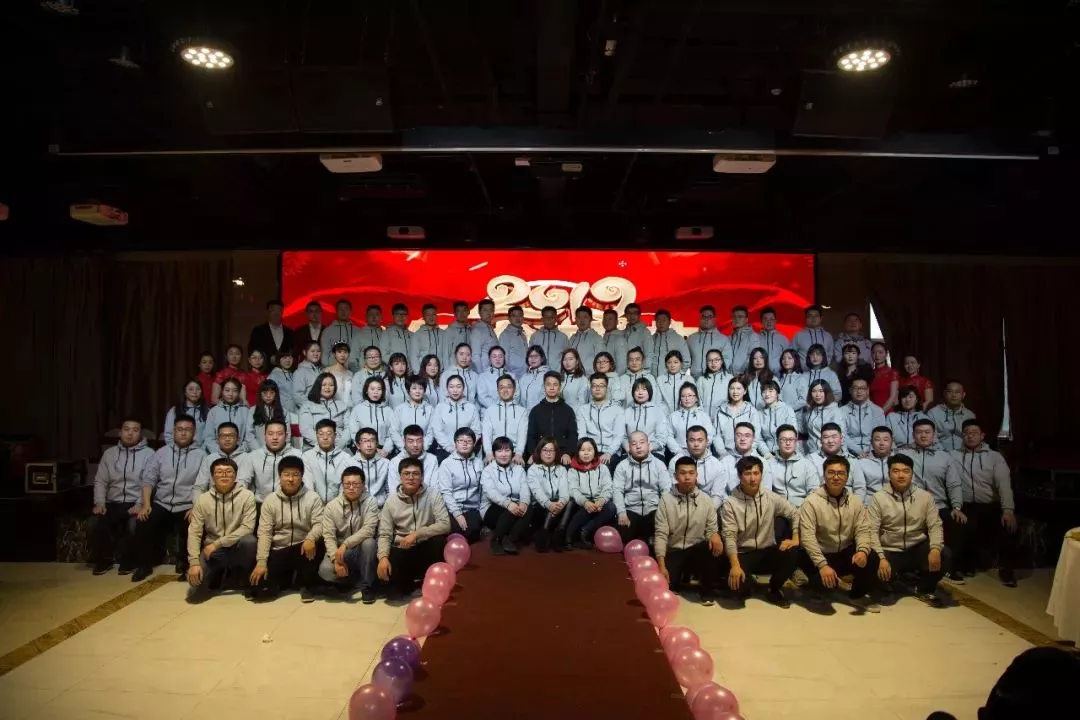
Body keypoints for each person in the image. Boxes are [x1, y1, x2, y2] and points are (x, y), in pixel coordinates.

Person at [797, 455, 881, 612]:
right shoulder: (811, 502)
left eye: (841, 473)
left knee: (872, 557)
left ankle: (857, 595)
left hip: (844, 551)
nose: (836, 477)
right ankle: (817, 587)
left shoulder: (855, 501)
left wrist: (862, 550)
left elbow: (863, 529)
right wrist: (822, 565)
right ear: (824, 475)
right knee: (825, 586)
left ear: (847, 477)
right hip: (820, 554)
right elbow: (807, 538)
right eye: (831, 472)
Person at [867, 454, 949, 606]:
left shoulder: (925, 497)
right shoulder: (878, 498)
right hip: (889, 548)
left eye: (906, 471)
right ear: (889, 474)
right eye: (896, 471)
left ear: (912, 474)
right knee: (872, 559)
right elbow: (871, 531)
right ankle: (887, 586)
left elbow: (935, 525)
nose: (901, 475)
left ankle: (923, 589)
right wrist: (881, 557)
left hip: (916, 546)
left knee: (945, 555)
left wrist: (935, 549)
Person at [132, 415, 206, 582]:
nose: (183, 433)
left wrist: (196, 507)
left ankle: (186, 565)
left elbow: (203, 485)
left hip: (186, 504)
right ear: (173, 431)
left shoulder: (201, 455)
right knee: (143, 520)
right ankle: (144, 565)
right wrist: (146, 504)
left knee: (193, 523)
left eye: (187, 430)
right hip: (162, 503)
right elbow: (148, 479)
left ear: (194, 433)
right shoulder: (161, 453)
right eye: (180, 430)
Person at [720, 456, 800, 608]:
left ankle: (773, 589)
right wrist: (735, 566)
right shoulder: (730, 503)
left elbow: (794, 513)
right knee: (737, 590)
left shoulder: (770, 497)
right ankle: (747, 582)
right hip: (743, 553)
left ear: (761, 475)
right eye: (747, 473)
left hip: (767, 551)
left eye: (756, 473)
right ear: (739, 476)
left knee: (793, 551)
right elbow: (729, 537)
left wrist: (795, 538)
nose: (752, 478)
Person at [249, 456, 324, 602]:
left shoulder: (313, 497)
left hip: (303, 548)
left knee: (319, 543)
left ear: (302, 476)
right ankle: (285, 580)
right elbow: (264, 533)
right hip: (279, 550)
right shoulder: (270, 500)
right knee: (257, 589)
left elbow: (320, 524)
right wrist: (261, 562)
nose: (291, 479)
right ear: (280, 477)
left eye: (295, 475)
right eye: (286, 474)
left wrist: (310, 538)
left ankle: (305, 584)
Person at [952, 419, 1018, 587]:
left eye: (974, 433)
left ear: (982, 436)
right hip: (967, 505)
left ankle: (1006, 570)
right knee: (963, 528)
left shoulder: (995, 457)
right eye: (967, 433)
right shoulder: (954, 456)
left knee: (1006, 529)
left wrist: (1008, 509)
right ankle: (966, 566)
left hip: (991, 505)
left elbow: (1004, 484)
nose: (970, 436)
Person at [377, 457, 451, 599]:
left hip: (425, 545)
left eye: (415, 474)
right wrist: (383, 557)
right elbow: (385, 534)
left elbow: (445, 524)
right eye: (406, 474)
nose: (411, 477)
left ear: (422, 477)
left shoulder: (433, 494)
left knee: (439, 540)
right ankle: (408, 583)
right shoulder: (391, 501)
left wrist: (417, 534)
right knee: (394, 596)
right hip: (403, 548)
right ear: (400, 477)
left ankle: (429, 580)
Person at [185, 457, 257, 601]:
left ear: (235, 475)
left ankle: (245, 577)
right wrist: (193, 562)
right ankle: (217, 572)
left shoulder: (247, 496)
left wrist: (218, 543)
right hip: (214, 552)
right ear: (212, 476)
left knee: (250, 542)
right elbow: (194, 532)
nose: (224, 475)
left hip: (236, 546)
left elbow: (247, 527)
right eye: (219, 472)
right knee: (194, 582)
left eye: (228, 472)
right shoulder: (203, 499)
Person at [655, 456, 723, 606]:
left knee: (711, 546)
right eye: (683, 473)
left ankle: (706, 591)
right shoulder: (666, 500)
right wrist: (661, 564)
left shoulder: (706, 500)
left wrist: (715, 534)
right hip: (674, 550)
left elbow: (711, 528)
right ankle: (679, 577)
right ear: (675, 476)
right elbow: (661, 534)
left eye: (691, 473)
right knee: (667, 585)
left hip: (696, 549)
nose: (687, 477)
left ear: (696, 475)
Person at [91, 418, 154, 575]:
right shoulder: (109, 454)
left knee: (135, 524)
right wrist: (100, 503)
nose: (130, 433)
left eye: (135, 430)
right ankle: (105, 560)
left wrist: (140, 504)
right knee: (97, 522)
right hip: (113, 501)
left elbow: (149, 481)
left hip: (135, 501)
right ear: (120, 432)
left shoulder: (149, 454)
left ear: (140, 434)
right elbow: (100, 481)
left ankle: (129, 561)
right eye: (126, 429)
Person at [908, 418, 966, 584]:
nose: (923, 435)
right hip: (912, 505)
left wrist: (956, 507)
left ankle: (949, 568)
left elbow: (954, 484)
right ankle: (914, 568)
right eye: (919, 432)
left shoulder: (944, 457)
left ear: (934, 434)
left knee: (957, 523)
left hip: (938, 505)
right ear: (913, 435)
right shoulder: (904, 454)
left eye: (927, 432)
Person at [319, 465, 379, 603]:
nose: (351, 488)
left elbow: (369, 529)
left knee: (369, 543)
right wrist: (335, 559)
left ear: (363, 485)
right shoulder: (332, 506)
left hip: (361, 548)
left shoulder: (370, 502)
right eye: (347, 484)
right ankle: (351, 581)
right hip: (341, 550)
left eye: (356, 484)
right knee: (325, 570)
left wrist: (346, 544)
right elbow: (328, 535)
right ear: (342, 485)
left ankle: (367, 586)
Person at [613, 431, 673, 544]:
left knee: (661, 539)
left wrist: (663, 513)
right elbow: (617, 491)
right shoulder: (622, 466)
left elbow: (666, 490)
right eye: (634, 444)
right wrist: (621, 513)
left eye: (642, 442)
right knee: (622, 539)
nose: (638, 446)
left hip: (654, 509)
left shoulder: (659, 464)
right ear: (629, 447)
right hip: (631, 510)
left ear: (648, 445)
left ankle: (648, 539)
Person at [481, 437, 533, 555]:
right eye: (499, 451)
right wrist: (508, 504)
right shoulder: (488, 471)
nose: (503, 454)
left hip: (515, 505)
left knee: (528, 509)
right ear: (494, 453)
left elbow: (525, 489)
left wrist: (524, 503)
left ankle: (510, 539)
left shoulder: (519, 470)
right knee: (509, 512)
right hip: (492, 508)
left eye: (507, 450)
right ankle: (496, 540)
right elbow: (491, 493)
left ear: (512, 452)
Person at [565, 438, 616, 549]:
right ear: (578, 452)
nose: (586, 453)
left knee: (611, 507)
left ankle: (586, 530)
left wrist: (601, 500)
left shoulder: (603, 468)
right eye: (582, 450)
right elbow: (573, 490)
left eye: (589, 450)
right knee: (579, 507)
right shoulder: (572, 470)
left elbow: (608, 488)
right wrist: (585, 502)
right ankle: (569, 536)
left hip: (599, 501)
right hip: (581, 502)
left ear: (595, 451)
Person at [437, 428, 486, 543]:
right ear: (455, 443)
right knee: (453, 530)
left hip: (472, 508)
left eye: (468, 441)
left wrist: (481, 509)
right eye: (461, 441)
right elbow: (446, 492)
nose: (465, 444)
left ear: (473, 444)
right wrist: (457, 514)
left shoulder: (479, 463)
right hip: (452, 507)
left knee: (472, 530)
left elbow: (482, 490)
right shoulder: (446, 464)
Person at [238, 420, 302, 505]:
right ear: (264, 436)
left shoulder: (298, 455)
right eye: (270, 434)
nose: (275, 437)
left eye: (279, 434)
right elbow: (242, 482)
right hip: (260, 504)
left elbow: (305, 484)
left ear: (286, 436)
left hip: (289, 504)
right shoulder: (252, 456)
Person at [527, 437, 574, 552]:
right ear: (539, 451)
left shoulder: (561, 469)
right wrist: (550, 505)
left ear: (556, 453)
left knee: (570, 502)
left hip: (557, 505)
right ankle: (543, 534)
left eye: (551, 450)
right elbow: (537, 492)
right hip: (539, 506)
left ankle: (559, 534)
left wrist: (560, 504)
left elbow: (565, 492)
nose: (548, 453)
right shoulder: (533, 470)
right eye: (545, 450)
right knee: (550, 503)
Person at [670, 425, 732, 510]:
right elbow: (673, 491)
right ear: (686, 442)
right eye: (692, 440)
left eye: (700, 440)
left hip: (708, 509)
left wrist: (705, 513)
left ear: (707, 442)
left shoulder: (717, 465)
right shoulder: (675, 462)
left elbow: (717, 496)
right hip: (681, 507)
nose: (696, 444)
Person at [524, 371, 578, 462]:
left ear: (559, 387)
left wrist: (568, 453)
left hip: (562, 455)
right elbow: (531, 436)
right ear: (544, 387)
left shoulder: (568, 410)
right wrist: (534, 453)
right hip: (540, 454)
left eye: (555, 384)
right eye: (548, 384)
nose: (552, 387)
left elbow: (573, 435)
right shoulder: (535, 411)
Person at [808, 422, 868, 502]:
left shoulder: (852, 460)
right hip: (821, 504)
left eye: (834, 436)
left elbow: (860, 488)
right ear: (820, 440)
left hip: (849, 503)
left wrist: (854, 506)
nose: (830, 441)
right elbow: (812, 489)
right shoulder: (811, 460)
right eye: (826, 437)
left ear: (841, 439)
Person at [576, 372, 623, 468]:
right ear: (590, 388)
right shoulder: (583, 410)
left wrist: (609, 452)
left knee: (604, 467)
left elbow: (619, 435)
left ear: (607, 388)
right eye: (594, 386)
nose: (598, 389)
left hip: (611, 452)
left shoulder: (617, 410)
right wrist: (588, 452)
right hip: (590, 451)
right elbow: (582, 434)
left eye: (601, 386)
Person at [431, 375, 482, 461]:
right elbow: (437, 431)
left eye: (458, 386)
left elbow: (476, 431)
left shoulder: (471, 408)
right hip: (444, 452)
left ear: (463, 388)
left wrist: (466, 448)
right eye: (451, 387)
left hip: (467, 452)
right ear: (447, 389)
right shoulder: (440, 407)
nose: (455, 390)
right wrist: (450, 448)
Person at [302, 419, 353, 504]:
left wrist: (337, 506)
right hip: (314, 505)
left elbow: (345, 488)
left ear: (335, 435)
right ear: (316, 435)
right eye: (321, 434)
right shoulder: (307, 457)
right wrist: (315, 505)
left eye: (329, 434)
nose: (325, 437)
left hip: (339, 506)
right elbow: (308, 486)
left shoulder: (346, 458)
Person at [766, 425, 818, 508]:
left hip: (802, 508)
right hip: (778, 510)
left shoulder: (807, 465)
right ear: (777, 441)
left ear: (796, 441)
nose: (788, 443)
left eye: (791, 439)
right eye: (784, 439)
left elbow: (814, 491)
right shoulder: (769, 464)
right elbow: (766, 492)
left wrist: (805, 509)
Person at [623, 378, 671, 463]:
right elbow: (622, 436)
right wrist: (628, 448)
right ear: (633, 392)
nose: (640, 393)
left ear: (650, 392)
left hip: (653, 452)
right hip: (630, 453)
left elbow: (662, 437)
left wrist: (647, 449)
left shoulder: (658, 411)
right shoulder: (626, 412)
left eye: (644, 389)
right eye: (637, 390)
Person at [194, 422, 247, 496]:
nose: (227, 439)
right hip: (213, 500)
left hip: (239, 500)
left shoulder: (247, 458)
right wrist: (199, 503)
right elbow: (199, 486)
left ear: (238, 439)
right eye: (223, 436)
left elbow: (244, 484)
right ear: (217, 439)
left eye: (231, 435)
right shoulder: (209, 459)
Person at [346, 376, 396, 456]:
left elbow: (392, 433)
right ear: (366, 391)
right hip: (363, 450)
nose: (375, 392)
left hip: (384, 452)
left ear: (383, 391)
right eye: (372, 389)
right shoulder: (357, 409)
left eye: (379, 389)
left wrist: (386, 450)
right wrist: (365, 448)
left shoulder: (389, 410)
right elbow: (354, 432)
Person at [299, 373, 348, 451]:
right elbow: (306, 430)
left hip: (339, 447)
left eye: (331, 385)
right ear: (318, 386)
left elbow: (348, 429)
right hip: (314, 447)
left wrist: (340, 445)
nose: (327, 387)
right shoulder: (307, 406)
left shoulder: (343, 406)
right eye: (324, 385)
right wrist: (324, 444)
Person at [714, 377, 760, 457]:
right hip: (725, 455)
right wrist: (723, 454)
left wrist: (747, 453)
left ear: (745, 391)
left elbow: (756, 436)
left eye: (738, 388)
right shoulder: (720, 410)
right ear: (728, 390)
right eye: (732, 388)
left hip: (747, 455)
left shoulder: (751, 411)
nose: (735, 392)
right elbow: (716, 435)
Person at [389, 424, 440, 495]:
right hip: (403, 499)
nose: (415, 445)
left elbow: (435, 488)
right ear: (404, 442)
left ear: (423, 441)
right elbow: (393, 491)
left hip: (427, 499)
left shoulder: (432, 459)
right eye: (411, 441)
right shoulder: (395, 462)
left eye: (419, 441)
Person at [204, 378, 251, 454]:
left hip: (240, 454)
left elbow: (249, 437)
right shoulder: (213, 411)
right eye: (227, 390)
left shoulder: (246, 411)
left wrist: (239, 452)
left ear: (239, 392)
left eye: (235, 391)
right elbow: (209, 437)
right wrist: (219, 453)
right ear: (222, 391)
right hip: (217, 454)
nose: (230, 394)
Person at [667, 381, 714, 456]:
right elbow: (669, 436)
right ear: (680, 399)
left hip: (700, 454)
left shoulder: (704, 416)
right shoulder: (673, 416)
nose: (687, 399)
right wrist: (679, 452)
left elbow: (709, 437)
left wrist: (698, 450)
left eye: (690, 395)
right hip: (679, 454)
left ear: (696, 398)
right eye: (683, 396)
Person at [928, 380, 976, 453]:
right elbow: (931, 438)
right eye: (950, 392)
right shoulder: (933, 413)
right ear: (944, 394)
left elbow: (973, 439)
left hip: (964, 454)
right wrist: (943, 453)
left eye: (957, 392)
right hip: (940, 454)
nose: (954, 395)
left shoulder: (970, 415)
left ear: (963, 395)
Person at [843, 378, 887, 457]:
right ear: (850, 390)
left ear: (868, 391)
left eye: (862, 388)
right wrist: (858, 451)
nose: (859, 391)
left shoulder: (877, 411)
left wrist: (871, 452)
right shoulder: (842, 411)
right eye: (855, 388)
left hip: (873, 453)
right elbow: (842, 436)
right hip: (849, 453)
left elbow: (880, 435)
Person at [686, 304, 732, 378]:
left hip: (714, 379)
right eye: (704, 317)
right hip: (694, 378)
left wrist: (715, 374)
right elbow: (685, 358)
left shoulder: (723, 339)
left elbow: (727, 359)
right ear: (700, 319)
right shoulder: (691, 339)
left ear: (714, 319)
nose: (706, 319)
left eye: (710, 317)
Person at [800, 379, 843, 454]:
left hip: (829, 453)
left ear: (827, 392)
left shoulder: (835, 411)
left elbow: (841, 436)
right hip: (812, 453)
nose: (817, 395)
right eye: (814, 391)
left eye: (821, 391)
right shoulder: (810, 411)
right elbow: (804, 430)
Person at [248, 299, 295, 368]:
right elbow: (252, 350)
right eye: (273, 310)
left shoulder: (290, 332)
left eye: (279, 310)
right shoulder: (258, 331)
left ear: (282, 312)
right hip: (264, 369)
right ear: (268, 312)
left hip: (284, 370)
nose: (276, 313)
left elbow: (293, 352)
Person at [353, 427, 393, 508]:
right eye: (365, 441)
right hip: (357, 508)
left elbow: (389, 490)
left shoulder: (385, 463)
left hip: (380, 508)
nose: (369, 445)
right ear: (358, 445)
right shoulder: (349, 463)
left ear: (377, 444)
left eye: (372, 440)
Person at [394, 376, 435, 453]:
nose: (417, 391)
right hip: (403, 451)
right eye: (414, 388)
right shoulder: (399, 409)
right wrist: (404, 449)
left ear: (424, 390)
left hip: (424, 451)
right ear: (408, 390)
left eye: (421, 388)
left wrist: (422, 448)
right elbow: (394, 432)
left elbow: (431, 432)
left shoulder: (430, 409)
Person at [756, 380, 797, 457]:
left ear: (777, 394)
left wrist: (784, 453)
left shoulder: (787, 410)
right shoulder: (759, 414)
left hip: (786, 452)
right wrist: (766, 453)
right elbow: (758, 437)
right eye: (764, 392)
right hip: (768, 454)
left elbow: (793, 434)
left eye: (770, 391)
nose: (767, 394)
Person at [164, 378, 208, 448]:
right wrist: (177, 450)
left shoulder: (207, 411)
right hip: (178, 451)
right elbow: (168, 435)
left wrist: (200, 451)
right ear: (185, 392)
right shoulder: (175, 410)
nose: (194, 392)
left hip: (200, 451)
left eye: (198, 389)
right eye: (191, 389)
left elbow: (209, 436)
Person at [321, 299, 363, 371]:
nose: (343, 311)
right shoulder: (327, 331)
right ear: (336, 311)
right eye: (340, 309)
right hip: (334, 370)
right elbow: (324, 355)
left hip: (355, 370)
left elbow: (361, 352)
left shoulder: (358, 331)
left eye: (346, 309)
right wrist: (336, 367)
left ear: (350, 311)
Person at [247, 380, 290, 450]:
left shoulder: (284, 411)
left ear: (276, 394)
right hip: (259, 450)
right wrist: (259, 451)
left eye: (272, 392)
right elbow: (249, 434)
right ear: (260, 394)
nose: (268, 396)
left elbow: (287, 434)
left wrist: (281, 450)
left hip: (279, 451)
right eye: (265, 392)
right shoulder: (253, 410)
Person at [648, 309, 691, 378]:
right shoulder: (651, 339)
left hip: (670, 380)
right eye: (658, 320)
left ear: (669, 322)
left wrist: (677, 377)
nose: (661, 323)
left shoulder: (678, 339)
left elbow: (686, 361)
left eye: (664, 320)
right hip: (653, 379)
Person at [696, 349, 734, 418]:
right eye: (710, 360)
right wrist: (702, 416)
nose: (713, 363)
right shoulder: (701, 379)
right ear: (706, 362)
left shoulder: (730, 378)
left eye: (716, 360)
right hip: (704, 417)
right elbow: (698, 399)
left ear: (722, 361)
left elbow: (732, 399)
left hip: (723, 417)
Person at [857, 426, 895, 495]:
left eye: (885, 440)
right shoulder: (861, 462)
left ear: (892, 441)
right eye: (877, 440)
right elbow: (859, 488)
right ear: (871, 442)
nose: (881, 443)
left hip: (894, 499)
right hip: (870, 499)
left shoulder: (899, 461)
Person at [655, 350, 694, 415]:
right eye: (669, 362)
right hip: (665, 416)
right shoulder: (660, 380)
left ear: (681, 363)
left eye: (676, 362)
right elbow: (658, 401)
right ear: (666, 364)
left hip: (685, 416)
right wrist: (669, 415)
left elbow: (694, 399)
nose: (672, 365)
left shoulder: (689, 379)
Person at [567, 305, 602, 374]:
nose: (582, 320)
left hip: (589, 377)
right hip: (572, 376)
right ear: (575, 319)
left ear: (590, 319)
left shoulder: (596, 338)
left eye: (585, 317)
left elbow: (601, 361)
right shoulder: (572, 338)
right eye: (579, 317)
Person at [727, 305, 761, 374]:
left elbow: (753, 357)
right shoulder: (729, 338)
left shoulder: (753, 336)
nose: (736, 319)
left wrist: (743, 375)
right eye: (734, 317)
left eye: (740, 317)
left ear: (746, 319)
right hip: (729, 377)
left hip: (744, 377)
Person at [469, 298, 499, 373]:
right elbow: (475, 356)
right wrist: (480, 375)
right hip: (484, 372)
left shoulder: (490, 328)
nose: (489, 313)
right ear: (479, 312)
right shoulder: (477, 330)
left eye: (491, 310)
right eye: (485, 310)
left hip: (493, 370)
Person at [516, 345, 550, 411]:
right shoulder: (524, 377)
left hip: (541, 414)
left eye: (536, 356)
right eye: (530, 356)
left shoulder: (547, 376)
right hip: (524, 415)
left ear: (542, 358)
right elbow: (517, 397)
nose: (533, 359)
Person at [499, 305, 529, 377]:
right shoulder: (505, 335)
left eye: (520, 315)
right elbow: (503, 357)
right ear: (509, 318)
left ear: (523, 318)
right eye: (514, 316)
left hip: (525, 374)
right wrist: (509, 375)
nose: (517, 318)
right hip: (512, 375)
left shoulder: (523, 334)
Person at [757, 307, 790, 373]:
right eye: (765, 319)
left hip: (779, 375)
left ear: (775, 321)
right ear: (761, 321)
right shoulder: (756, 338)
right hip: (760, 374)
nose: (769, 322)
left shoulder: (783, 339)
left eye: (771, 319)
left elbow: (789, 358)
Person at [442, 301, 472, 373]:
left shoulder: (471, 329)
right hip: (454, 369)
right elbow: (445, 354)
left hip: (468, 369)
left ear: (468, 312)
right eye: (459, 311)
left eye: (464, 311)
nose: (461, 314)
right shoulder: (449, 331)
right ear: (454, 313)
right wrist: (448, 373)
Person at [477, 346, 510, 411]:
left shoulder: (511, 376)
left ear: (504, 358)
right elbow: (482, 397)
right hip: (489, 412)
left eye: (500, 356)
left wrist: (507, 407)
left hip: (508, 411)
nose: (498, 359)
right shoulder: (483, 377)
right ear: (489, 359)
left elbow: (516, 395)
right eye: (494, 357)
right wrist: (497, 408)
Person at [413, 303, 445, 373]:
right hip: (424, 373)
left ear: (436, 316)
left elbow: (446, 354)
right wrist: (419, 374)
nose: (431, 317)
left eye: (433, 314)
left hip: (441, 373)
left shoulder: (443, 333)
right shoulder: (417, 334)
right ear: (423, 317)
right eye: (428, 315)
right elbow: (414, 356)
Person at [382, 303, 414, 370]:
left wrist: (412, 367)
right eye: (397, 314)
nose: (401, 317)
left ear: (407, 316)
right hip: (393, 371)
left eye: (404, 314)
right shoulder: (386, 333)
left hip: (410, 371)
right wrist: (397, 366)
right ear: (393, 316)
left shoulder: (412, 335)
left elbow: (416, 355)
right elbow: (383, 354)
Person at [869, 342, 899, 412]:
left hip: (888, 411)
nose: (877, 355)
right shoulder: (869, 373)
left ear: (886, 354)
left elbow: (893, 397)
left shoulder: (893, 373)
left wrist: (881, 412)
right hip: (872, 411)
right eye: (874, 353)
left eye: (880, 352)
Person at [292, 341, 323, 411]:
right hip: (309, 412)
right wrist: (314, 407)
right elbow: (297, 396)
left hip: (322, 409)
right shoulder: (300, 372)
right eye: (312, 351)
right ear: (304, 352)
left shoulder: (321, 370)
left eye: (318, 351)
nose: (316, 354)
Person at [622, 303, 652, 372]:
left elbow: (649, 354)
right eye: (629, 313)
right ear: (625, 315)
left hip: (639, 372)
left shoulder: (645, 332)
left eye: (635, 313)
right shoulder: (623, 332)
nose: (632, 316)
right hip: (625, 372)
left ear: (639, 315)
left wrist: (644, 372)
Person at [599, 309, 629, 375]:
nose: (607, 322)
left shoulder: (620, 339)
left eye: (610, 319)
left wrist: (613, 378)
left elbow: (622, 366)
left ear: (616, 322)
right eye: (605, 319)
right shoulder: (603, 338)